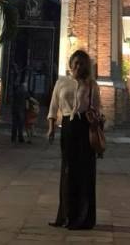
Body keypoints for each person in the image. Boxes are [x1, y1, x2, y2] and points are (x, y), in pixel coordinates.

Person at [47, 49, 101, 230]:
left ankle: (83, 218)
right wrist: (51, 127)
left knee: (84, 172)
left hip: (85, 128)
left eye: (82, 64)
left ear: (86, 66)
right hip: (68, 128)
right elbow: (53, 106)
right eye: (76, 63)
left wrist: (96, 121)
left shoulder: (92, 85)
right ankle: (65, 215)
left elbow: (97, 108)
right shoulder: (61, 82)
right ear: (71, 64)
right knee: (68, 171)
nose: (78, 66)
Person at [11, 76, 28, 144]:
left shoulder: (16, 89)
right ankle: (20, 137)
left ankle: (13, 137)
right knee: (20, 124)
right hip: (21, 109)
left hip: (14, 108)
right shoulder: (23, 90)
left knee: (14, 123)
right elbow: (28, 97)